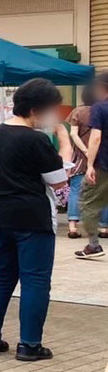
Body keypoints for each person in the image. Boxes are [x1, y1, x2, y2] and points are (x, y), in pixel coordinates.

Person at [0, 78, 69, 362]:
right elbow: (59, 182)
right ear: (38, 110)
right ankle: (29, 344)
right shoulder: (36, 139)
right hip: (32, 218)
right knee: (35, 280)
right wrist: (63, 141)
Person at [76, 73, 108, 260]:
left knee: (87, 203)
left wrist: (89, 165)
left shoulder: (100, 108)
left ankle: (93, 245)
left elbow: (96, 138)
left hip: (103, 163)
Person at [65, 81, 97, 240]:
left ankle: (72, 226)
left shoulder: (77, 111)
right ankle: (104, 227)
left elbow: (73, 134)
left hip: (79, 158)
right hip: (100, 157)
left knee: (76, 190)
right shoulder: (103, 110)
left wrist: (85, 151)